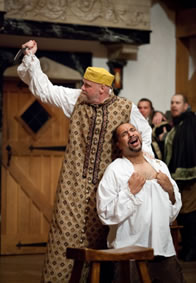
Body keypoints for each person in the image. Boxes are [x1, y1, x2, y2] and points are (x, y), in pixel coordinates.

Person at [17, 40, 154, 283]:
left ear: (103, 89)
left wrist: (140, 165)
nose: (82, 88)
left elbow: (143, 133)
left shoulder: (126, 108)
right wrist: (31, 59)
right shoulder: (76, 99)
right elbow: (45, 89)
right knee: (64, 238)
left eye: (87, 85)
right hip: (72, 186)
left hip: (109, 185)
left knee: (103, 241)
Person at [97, 122, 185, 283]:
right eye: (124, 134)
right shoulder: (115, 170)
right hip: (129, 253)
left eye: (132, 130)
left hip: (163, 250)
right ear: (118, 144)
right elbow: (105, 213)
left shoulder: (160, 167)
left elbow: (172, 214)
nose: (131, 134)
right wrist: (130, 193)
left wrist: (170, 191)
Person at [164, 94, 196, 261]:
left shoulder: (189, 123)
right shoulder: (178, 125)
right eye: (172, 102)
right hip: (179, 177)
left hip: (190, 177)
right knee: (183, 212)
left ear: (185, 106)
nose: (174, 105)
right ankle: (188, 248)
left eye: (178, 102)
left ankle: (192, 248)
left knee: (189, 212)